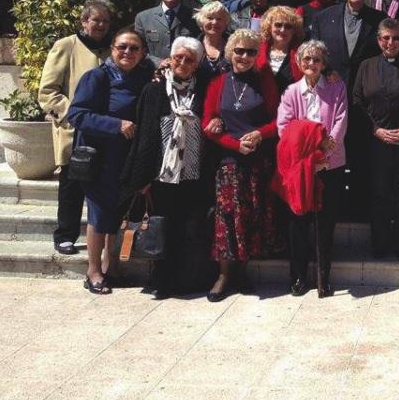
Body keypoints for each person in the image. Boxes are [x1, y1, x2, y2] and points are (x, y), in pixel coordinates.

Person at [67, 26, 154, 294]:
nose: (127, 52)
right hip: (100, 159)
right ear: (112, 49)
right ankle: (93, 270)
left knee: (117, 215)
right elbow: (77, 115)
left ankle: (111, 266)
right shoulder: (97, 77)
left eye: (134, 48)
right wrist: (115, 124)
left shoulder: (144, 79)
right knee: (99, 215)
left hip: (127, 161)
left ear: (142, 53)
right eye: (122, 47)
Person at [120, 37, 207, 299]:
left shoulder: (202, 90)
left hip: (192, 172)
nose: (182, 63)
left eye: (189, 59)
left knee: (186, 228)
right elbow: (146, 135)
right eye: (178, 57)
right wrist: (143, 176)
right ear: (170, 58)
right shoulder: (155, 89)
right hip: (162, 173)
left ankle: (185, 279)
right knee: (162, 227)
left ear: (197, 64)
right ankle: (161, 280)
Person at [202, 28, 281, 301]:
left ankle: (243, 271)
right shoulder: (218, 83)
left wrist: (260, 134)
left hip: (258, 161)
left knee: (252, 216)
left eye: (250, 52)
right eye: (239, 51)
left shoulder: (265, 82)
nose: (244, 56)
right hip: (228, 162)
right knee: (226, 219)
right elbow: (208, 124)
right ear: (230, 52)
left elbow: (277, 121)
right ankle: (224, 275)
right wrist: (235, 144)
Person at [307, 0, 386, 220]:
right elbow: (314, 53)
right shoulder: (323, 18)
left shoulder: (379, 19)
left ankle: (360, 208)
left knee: (362, 156)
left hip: (366, 99)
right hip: (330, 98)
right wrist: (327, 69)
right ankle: (334, 207)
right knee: (331, 152)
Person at [38, 0, 113, 255]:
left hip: (106, 132)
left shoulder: (113, 50)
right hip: (75, 131)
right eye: (95, 20)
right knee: (72, 186)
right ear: (84, 21)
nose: (100, 25)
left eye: (105, 20)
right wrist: (76, 114)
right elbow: (48, 91)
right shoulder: (66, 46)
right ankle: (65, 235)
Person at [277, 40, 347, 297]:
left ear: (323, 63)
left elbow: (340, 120)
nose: (311, 63)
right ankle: (297, 277)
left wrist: (324, 152)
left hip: (331, 163)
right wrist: (311, 147)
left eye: (316, 59)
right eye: (306, 59)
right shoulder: (291, 92)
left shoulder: (336, 86)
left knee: (325, 223)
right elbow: (285, 127)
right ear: (298, 62)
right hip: (300, 166)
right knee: (298, 222)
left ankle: (323, 277)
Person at [353, 19, 399, 259]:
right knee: (379, 193)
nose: (390, 43)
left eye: (395, 38)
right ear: (378, 40)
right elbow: (357, 102)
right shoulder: (366, 66)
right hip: (376, 141)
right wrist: (375, 130)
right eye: (385, 38)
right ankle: (380, 245)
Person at [134, 0, 202, 61]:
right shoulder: (143, 18)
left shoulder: (195, 17)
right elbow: (138, 49)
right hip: (152, 72)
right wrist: (159, 63)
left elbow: (199, 49)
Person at [257, 6, 304, 94]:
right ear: (269, 27)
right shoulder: (257, 51)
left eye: (288, 26)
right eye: (278, 25)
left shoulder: (302, 55)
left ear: (294, 30)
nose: (282, 30)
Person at [195, 1, 231, 79]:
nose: (214, 22)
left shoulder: (234, 46)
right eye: (210, 18)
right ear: (202, 21)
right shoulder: (192, 46)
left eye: (219, 19)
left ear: (226, 23)